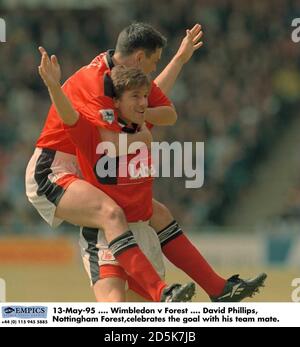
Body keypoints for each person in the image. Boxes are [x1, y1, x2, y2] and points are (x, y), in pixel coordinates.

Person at [27, 22, 267, 302]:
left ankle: (219, 289)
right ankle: (160, 291)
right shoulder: (94, 82)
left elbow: (139, 105)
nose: (153, 72)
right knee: (110, 213)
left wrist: (178, 60)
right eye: (154, 62)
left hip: (90, 165)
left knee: (158, 214)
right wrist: (143, 138)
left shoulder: (120, 79)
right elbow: (107, 144)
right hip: (54, 170)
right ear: (140, 58)